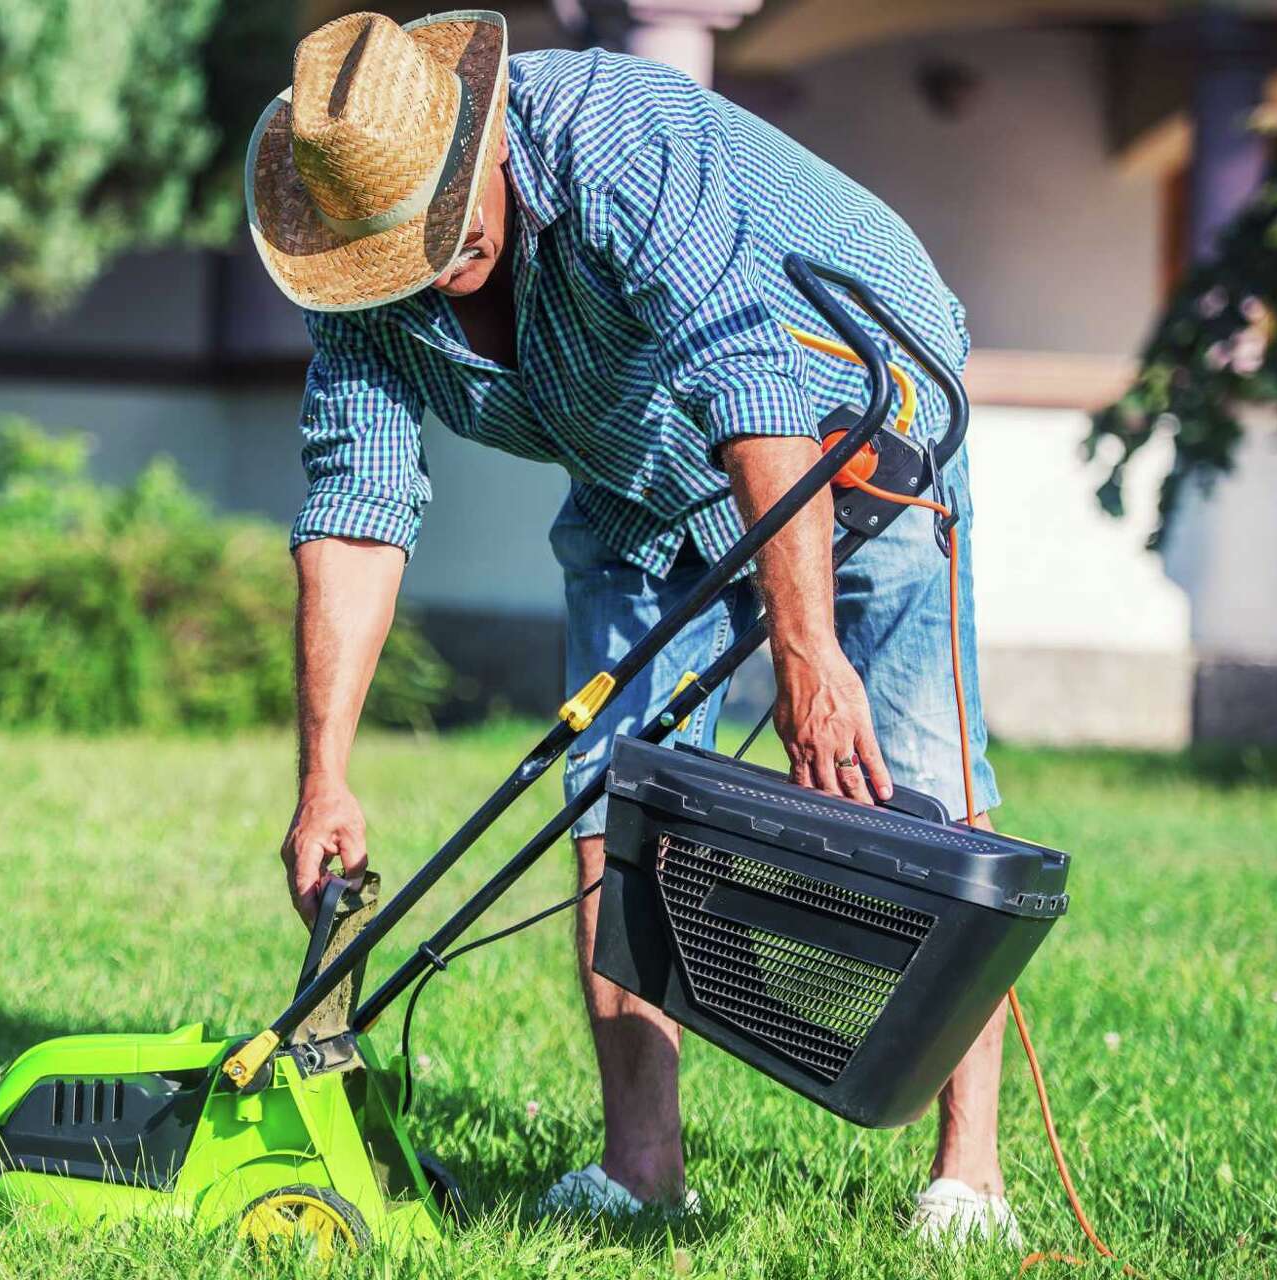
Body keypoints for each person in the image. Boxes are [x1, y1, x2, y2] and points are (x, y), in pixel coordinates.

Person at [244, 10, 1016, 1244]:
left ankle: (968, 1179)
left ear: (482, 135)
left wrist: (805, 655)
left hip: (860, 429)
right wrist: (324, 776)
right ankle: (641, 1162)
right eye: (400, 251)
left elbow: (753, 378)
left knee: (915, 782)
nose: (435, 269)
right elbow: (355, 501)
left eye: (450, 230)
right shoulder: (355, 255)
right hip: (638, 472)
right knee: (613, 802)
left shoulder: (620, 139)